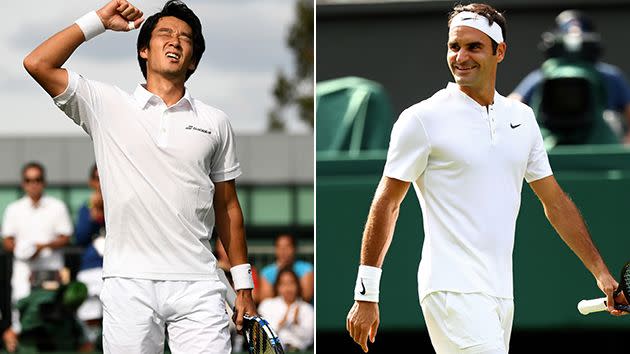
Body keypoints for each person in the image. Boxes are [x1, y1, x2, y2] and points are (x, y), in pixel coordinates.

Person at [345, 3, 627, 353]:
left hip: (500, 293)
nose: (461, 56)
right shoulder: (421, 119)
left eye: (474, 47)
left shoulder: (521, 119)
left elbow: (555, 202)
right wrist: (366, 292)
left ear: (499, 51)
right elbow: (387, 204)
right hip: (451, 290)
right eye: (454, 46)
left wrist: (601, 274)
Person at [23, 1, 257, 353]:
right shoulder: (104, 104)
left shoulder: (216, 122)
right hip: (127, 284)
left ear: (193, 60)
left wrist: (243, 286)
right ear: (144, 50)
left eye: (185, 38)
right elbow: (37, 63)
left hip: (199, 285)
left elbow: (227, 206)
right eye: (165, 33)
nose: (175, 41)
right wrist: (97, 21)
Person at [509, 10, 630, 143]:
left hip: (600, 147)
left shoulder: (610, 76)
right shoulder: (542, 77)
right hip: (547, 146)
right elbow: (511, 106)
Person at [1, 162, 73, 352]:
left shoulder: (57, 207)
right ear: (23, 183)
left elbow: (66, 237)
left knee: (50, 314)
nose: (33, 184)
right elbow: (7, 240)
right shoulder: (14, 209)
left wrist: (43, 247)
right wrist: (23, 249)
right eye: (29, 180)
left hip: (51, 270)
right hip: (23, 272)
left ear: (44, 182)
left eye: (37, 180)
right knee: (22, 312)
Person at [73, 164, 106, 350]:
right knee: (90, 321)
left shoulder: (120, 202)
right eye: (97, 178)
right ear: (91, 182)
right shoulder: (86, 207)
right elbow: (80, 237)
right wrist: (94, 214)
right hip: (91, 269)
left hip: (115, 267)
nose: (100, 183)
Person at [258, 268, 314, 352]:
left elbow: (309, 338)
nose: (288, 288)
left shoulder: (307, 309)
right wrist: (281, 323)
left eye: (291, 283)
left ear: (297, 285)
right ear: (277, 287)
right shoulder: (266, 305)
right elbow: (262, 335)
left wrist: (296, 324)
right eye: (283, 284)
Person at [259, 233, 314, 303]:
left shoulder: (307, 269)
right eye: (280, 247)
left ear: (294, 248)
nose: (283, 251)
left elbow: (306, 296)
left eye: (287, 246)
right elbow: (265, 299)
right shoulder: (266, 272)